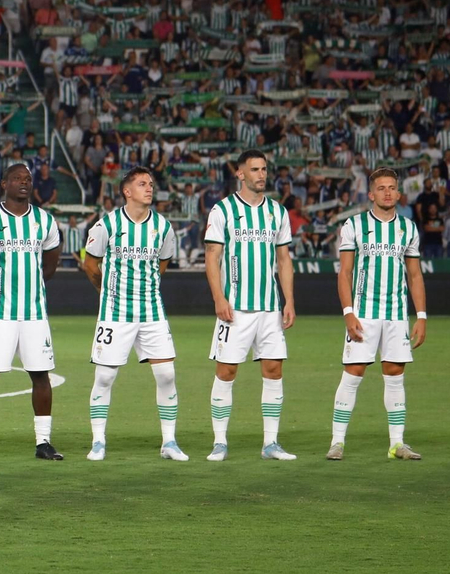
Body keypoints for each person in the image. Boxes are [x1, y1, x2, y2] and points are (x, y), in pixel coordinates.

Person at [80, 166, 183, 462]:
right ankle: (98, 441)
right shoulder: (107, 225)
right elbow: (90, 264)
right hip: (115, 312)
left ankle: (169, 442)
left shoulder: (163, 227)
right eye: (142, 184)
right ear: (127, 191)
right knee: (105, 376)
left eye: (151, 183)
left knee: (166, 373)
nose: (149, 188)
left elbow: (162, 265)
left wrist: (145, 288)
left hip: (151, 311)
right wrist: (106, 291)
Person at [328, 167, 428, 462]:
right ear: (371, 194)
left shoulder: (408, 228)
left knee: (395, 375)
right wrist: (348, 312)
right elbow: (344, 273)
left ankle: (397, 444)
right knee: (354, 373)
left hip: (397, 315)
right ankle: (337, 442)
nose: (387, 193)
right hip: (364, 314)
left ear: (399, 193)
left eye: (392, 188)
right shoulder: (355, 225)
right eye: (381, 188)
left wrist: (421, 315)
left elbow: (415, 274)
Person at [204, 149, 296, 462]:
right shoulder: (223, 210)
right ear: (240, 173)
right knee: (227, 371)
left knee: (273, 369)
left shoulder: (277, 212)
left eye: (264, 169)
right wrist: (219, 297)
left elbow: (284, 259)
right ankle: (219, 442)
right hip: (236, 308)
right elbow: (212, 257)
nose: (261, 175)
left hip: (270, 308)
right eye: (254, 169)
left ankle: (271, 444)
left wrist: (289, 301)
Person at [0, 163, 62, 461]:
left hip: (33, 312)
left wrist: (30, 286)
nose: (24, 183)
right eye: (17, 178)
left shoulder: (45, 221)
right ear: (4, 183)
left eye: (28, 179)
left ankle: (43, 442)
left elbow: (50, 264)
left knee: (40, 375)